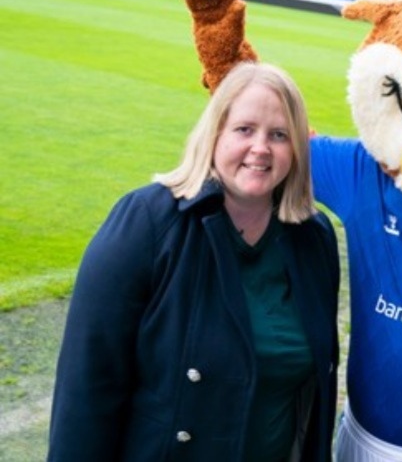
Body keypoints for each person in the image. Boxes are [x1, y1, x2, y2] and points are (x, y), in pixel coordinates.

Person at [47, 62, 341, 462]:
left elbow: (315, 395)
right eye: (244, 129)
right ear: (215, 132)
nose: (261, 148)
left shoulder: (313, 237)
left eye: (279, 135)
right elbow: (88, 384)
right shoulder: (148, 221)